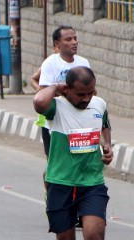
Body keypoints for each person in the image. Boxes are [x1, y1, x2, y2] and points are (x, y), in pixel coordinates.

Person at [33, 66, 113, 240]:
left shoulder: (98, 104)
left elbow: (104, 126)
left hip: (91, 182)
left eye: (90, 93)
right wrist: (56, 87)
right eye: (80, 94)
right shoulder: (55, 106)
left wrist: (107, 146)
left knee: (95, 236)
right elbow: (37, 101)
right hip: (61, 183)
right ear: (67, 90)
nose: (86, 99)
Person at [30, 26, 91, 157]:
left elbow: (91, 90)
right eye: (68, 39)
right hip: (55, 120)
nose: (74, 42)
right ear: (57, 44)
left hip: (78, 118)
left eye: (75, 38)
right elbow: (43, 90)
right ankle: (48, 176)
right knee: (54, 159)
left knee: (76, 156)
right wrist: (60, 91)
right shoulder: (50, 63)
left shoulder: (84, 63)